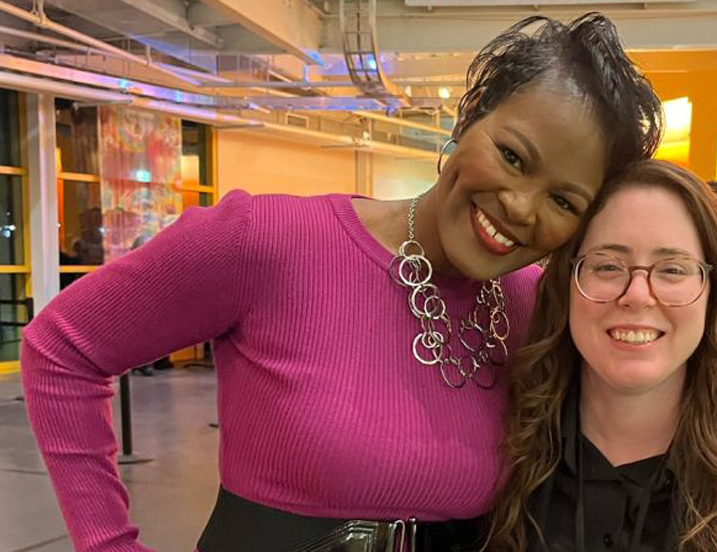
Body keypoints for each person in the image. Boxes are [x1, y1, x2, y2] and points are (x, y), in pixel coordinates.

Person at [20, 14, 663, 552]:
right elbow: (62, 349)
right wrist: (108, 543)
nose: (522, 207)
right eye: (513, 156)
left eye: (564, 200)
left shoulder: (533, 305)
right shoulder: (267, 239)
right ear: (469, 120)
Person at [487, 161, 717, 552]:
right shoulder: (501, 451)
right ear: (567, 284)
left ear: (715, 292)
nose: (636, 294)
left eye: (672, 269)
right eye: (608, 266)